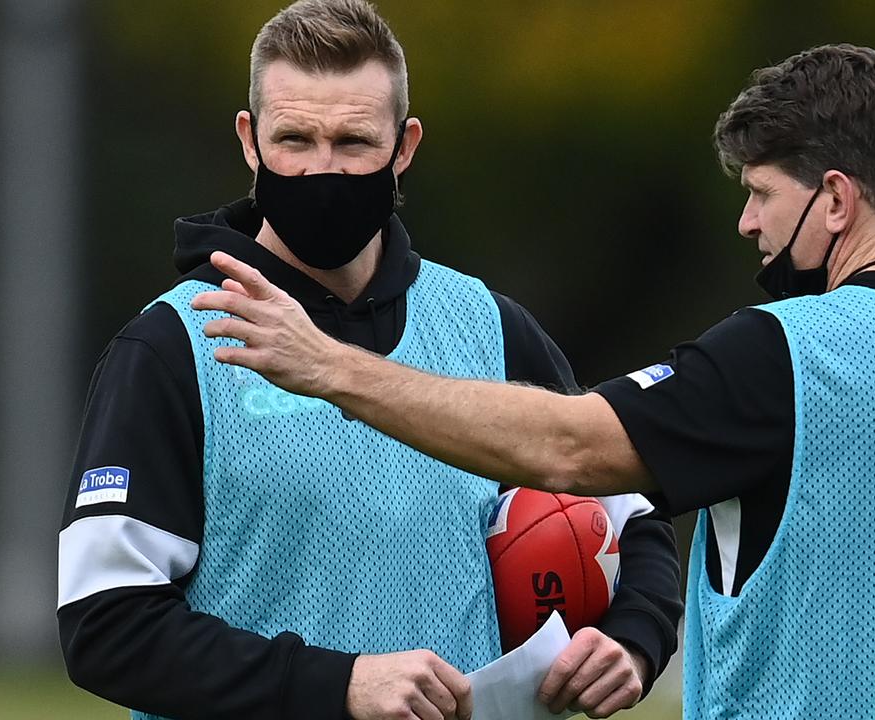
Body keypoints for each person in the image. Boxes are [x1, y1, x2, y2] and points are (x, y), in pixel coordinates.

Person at [194, 44, 875, 719]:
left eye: (762, 194)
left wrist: (331, 368)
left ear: (836, 200)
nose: (749, 225)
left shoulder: (783, 355)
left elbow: (566, 445)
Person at [56, 2, 683, 719]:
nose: (323, 169)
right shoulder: (169, 349)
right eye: (294, 138)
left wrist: (632, 639)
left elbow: (635, 516)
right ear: (249, 140)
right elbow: (105, 628)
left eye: (354, 142)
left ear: (405, 146)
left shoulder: (489, 327)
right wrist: (339, 685)